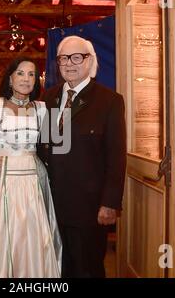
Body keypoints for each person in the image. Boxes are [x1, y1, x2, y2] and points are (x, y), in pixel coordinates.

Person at [0, 57, 62, 278]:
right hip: (1, 183)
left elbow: (57, 149)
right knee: (2, 242)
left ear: (37, 81)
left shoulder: (42, 109)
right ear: (9, 78)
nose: (26, 79)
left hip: (34, 186)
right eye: (20, 73)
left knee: (33, 241)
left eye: (31, 74)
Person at [41, 35, 126, 278]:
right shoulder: (49, 97)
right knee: (59, 266)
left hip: (89, 208)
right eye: (63, 58)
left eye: (77, 57)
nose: (69, 63)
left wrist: (110, 202)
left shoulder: (109, 101)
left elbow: (116, 156)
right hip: (52, 205)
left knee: (87, 268)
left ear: (90, 61)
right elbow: (45, 146)